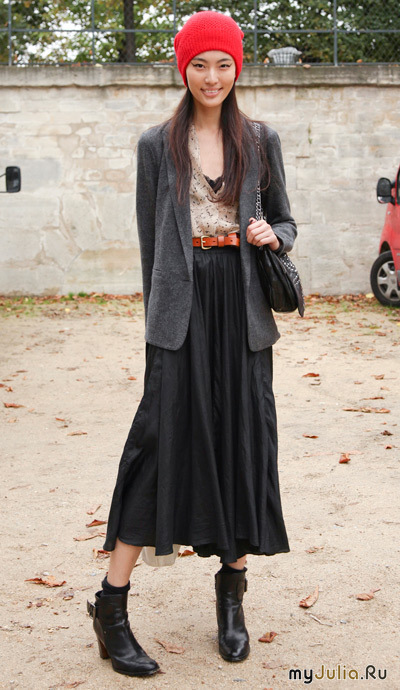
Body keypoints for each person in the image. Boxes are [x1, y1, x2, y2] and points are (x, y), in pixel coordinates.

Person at [87, 9, 297, 677]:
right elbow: (151, 246)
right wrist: (162, 327)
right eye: (200, 64)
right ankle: (110, 606)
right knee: (158, 445)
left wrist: (273, 236)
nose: (212, 76)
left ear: (238, 68)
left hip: (241, 309)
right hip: (181, 316)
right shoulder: (157, 144)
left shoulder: (260, 140)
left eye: (223, 63)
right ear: (184, 69)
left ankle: (231, 599)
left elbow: (286, 221)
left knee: (241, 440)